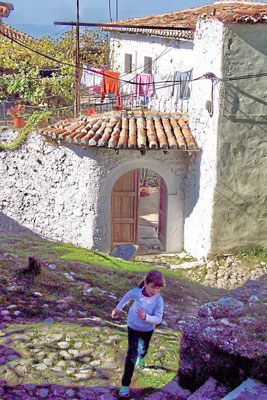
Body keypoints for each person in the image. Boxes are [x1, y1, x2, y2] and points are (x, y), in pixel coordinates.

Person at [111, 269, 165, 398]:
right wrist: (117, 309)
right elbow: (126, 297)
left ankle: (142, 358)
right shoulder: (136, 293)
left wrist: (146, 317)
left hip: (147, 329)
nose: (154, 291)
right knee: (131, 354)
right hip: (133, 327)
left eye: (158, 288)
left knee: (143, 349)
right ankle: (125, 384)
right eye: (153, 287)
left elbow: (158, 319)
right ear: (146, 283)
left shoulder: (158, 300)